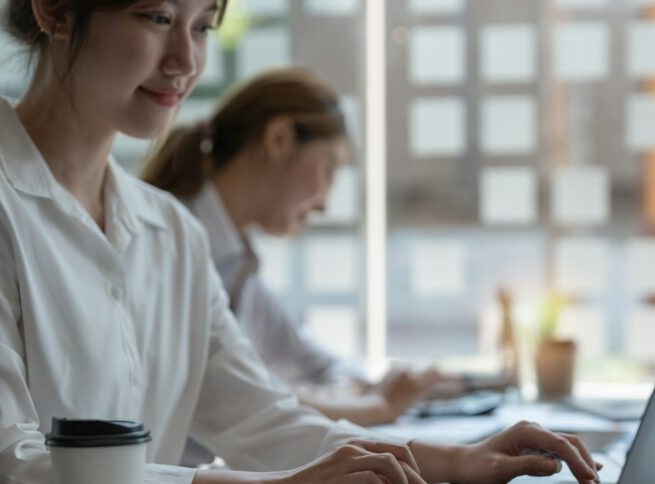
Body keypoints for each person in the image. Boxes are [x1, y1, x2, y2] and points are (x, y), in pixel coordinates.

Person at [0, 0, 600, 484]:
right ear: (55, 11)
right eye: (157, 17)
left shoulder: (170, 230)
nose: (185, 60)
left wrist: (456, 460)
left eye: (202, 25)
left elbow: (263, 417)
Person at [142, 68, 439, 427]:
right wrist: (378, 406)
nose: (323, 205)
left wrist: (349, 392)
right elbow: (241, 398)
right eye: (328, 170)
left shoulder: (238, 264)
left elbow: (316, 363)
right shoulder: (170, 244)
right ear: (280, 139)